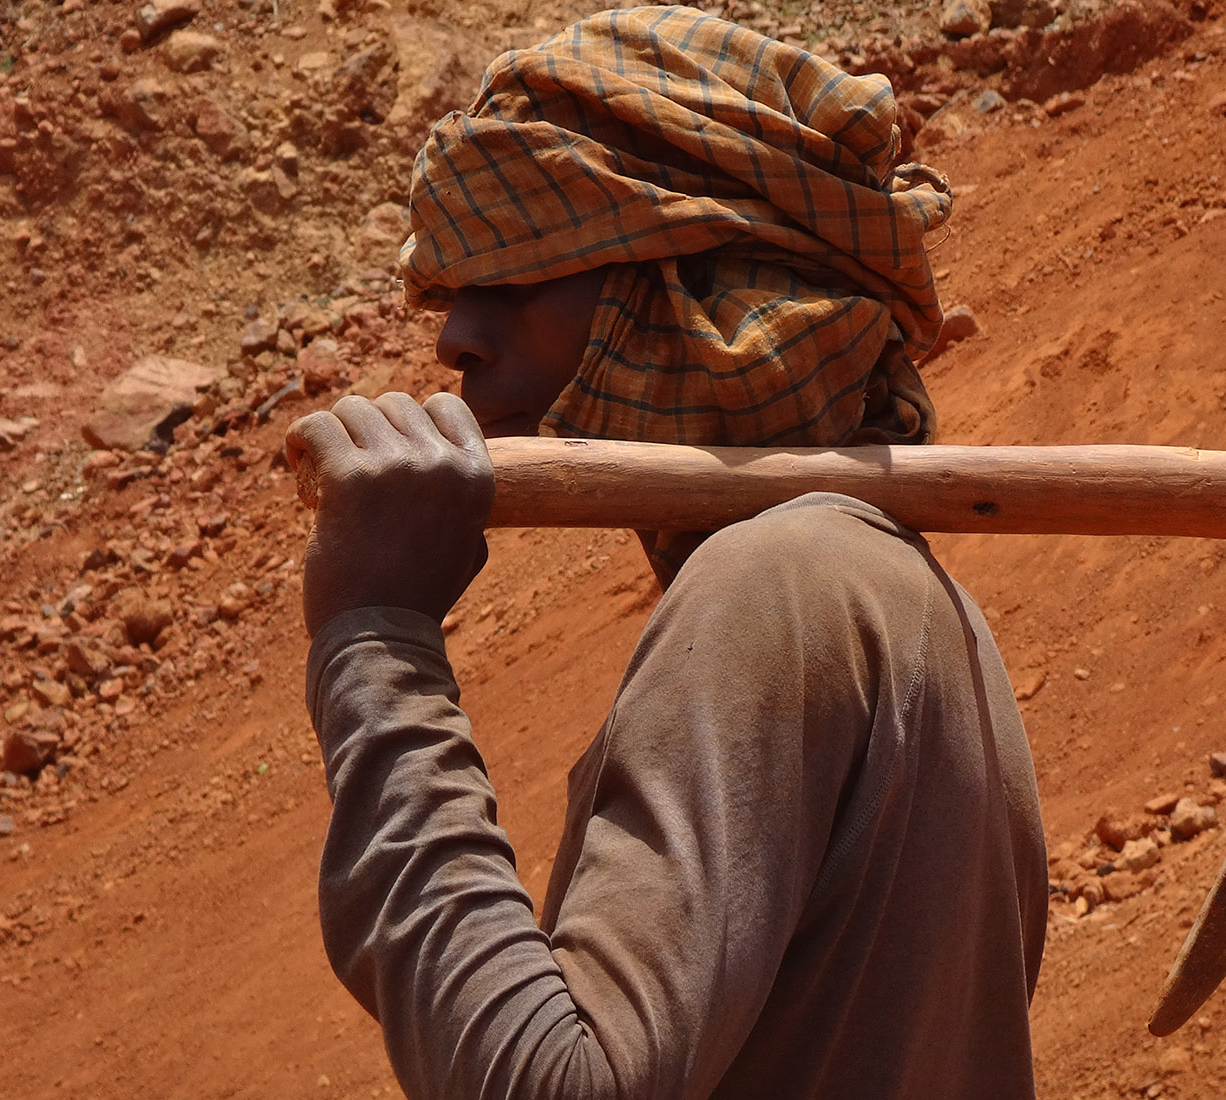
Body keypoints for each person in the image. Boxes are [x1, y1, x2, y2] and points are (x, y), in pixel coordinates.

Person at [284, 7, 1046, 1099]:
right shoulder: (904, 597)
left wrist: (377, 639)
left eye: (522, 269)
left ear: (693, 288)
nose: (456, 334)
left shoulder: (778, 586)